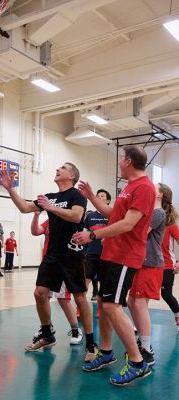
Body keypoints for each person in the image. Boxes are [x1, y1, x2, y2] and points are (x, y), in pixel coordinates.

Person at [73, 145, 155, 386]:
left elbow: (128, 224)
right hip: (111, 254)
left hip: (125, 256)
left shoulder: (145, 188)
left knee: (111, 305)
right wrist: (90, 197)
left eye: (121, 159)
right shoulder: (128, 188)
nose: (119, 162)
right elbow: (113, 215)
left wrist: (94, 235)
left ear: (128, 161)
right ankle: (107, 353)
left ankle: (138, 362)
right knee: (103, 302)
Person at [1, 162, 95, 359]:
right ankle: (47, 335)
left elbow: (77, 216)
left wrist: (51, 208)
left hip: (72, 254)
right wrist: (11, 189)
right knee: (40, 293)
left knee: (79, 298)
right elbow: (25, 207)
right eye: (58, 167)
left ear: (71, 176)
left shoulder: (76, 196)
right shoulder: (50, 196)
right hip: (52, 255)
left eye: (63, 168)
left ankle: (90, 343)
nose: (57, 169)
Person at [127, 183, 166, 367]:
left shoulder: (158, 213)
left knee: (140, 304)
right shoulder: (151, 212)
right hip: (139, 262)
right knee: (131, 302)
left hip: (150, 264)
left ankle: (147, 349)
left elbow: (139, 231)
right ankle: (142, 341)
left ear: (160, 195)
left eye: (154, 186)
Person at [31, 212, 83, 346]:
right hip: (48, 264)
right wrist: (36, 215)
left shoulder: (69, 220)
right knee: (42, 296)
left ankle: (76, 330)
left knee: (63, 298)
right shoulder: (48, 221)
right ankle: (47, 328)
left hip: (62, 263)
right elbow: (35, 231)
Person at [84, 189, 111, 300]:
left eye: (102, 196)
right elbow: (84, 233)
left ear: (108, 201)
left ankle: (101, 310)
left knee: (103, 283)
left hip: (106, 255)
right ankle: (80, 308)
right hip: (90, 253)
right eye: (98, 196)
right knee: (85, 280)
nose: (99, 197)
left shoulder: (111, 215)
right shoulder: (90, 216)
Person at [159, 183, 179, 332]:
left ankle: (177, 314)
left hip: (166, 265)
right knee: (139, 295)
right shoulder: (151, 217)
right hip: (149, 264)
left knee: (165, 293)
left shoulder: (170, 224)